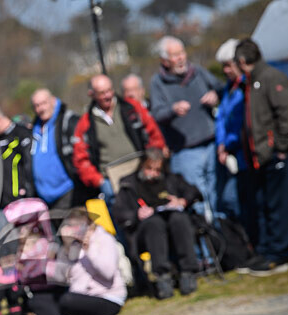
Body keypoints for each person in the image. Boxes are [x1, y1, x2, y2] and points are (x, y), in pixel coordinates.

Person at [234, 38, 288, 276]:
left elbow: (286, 115)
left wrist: (279, 147)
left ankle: (278, 254)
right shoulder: (252, 82)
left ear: (242, 61)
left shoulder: (271, 78)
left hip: (278, 154)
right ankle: (268, 249)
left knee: (279, 205)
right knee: (266, 205)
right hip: (261, 156)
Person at [113, 148, 202, 299]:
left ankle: (188, 272)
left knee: (178, 219)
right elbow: (119, 213)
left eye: (157, 170)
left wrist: (182, 201)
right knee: (154, 223)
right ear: (142, 165)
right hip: (145, 231)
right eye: (149, 168)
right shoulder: (129, 184)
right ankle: (163, 276)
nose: (153, 173)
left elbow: (193, 191)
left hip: (173, 224)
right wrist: (137, 214)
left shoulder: (170, 179)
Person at [150, 36, 223, 220]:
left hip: (211, 143)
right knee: (197, 202)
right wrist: (172, 110)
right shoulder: (157, 83)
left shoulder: (197, 71)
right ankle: (207, 247)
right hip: (185, 152)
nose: (181, 58)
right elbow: (157, 114)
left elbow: (222, 87)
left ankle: (226, 241)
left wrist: (215, 95)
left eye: (182, 53)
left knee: (219, 198)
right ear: (164, 61)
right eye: (175, 55)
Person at [73, 74, 166, 205]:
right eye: (102, 93)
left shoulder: (132, 108)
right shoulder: (85, 123)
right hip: (111, 179)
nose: (107, 95)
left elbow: (154, 134)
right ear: (91, 94)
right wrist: (98, 180)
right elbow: (80, 158)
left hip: (141, 170)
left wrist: (155, 162)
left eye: (109, 90)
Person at [46, 208, 126, 315]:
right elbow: (60, 278)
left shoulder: (104, 239)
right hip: (82, 297)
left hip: (108, 297)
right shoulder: (73, 246)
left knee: (67, 300)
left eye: (79, 225)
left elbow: (108, 273)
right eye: (72, 226)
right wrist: (66, 246)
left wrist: (89, 249)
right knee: (47, 302)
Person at [30, 88, 88, 210]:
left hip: (70, 191)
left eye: (44, 103)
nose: (41, 108)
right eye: (37, 105)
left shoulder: (68, 121)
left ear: (53, 101)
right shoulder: (35, 128)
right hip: (46, 200)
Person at [214, 38, 245, 222]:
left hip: (241, 152)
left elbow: (240, 120)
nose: (225, 71)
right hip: (229, 152)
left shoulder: (244, 87)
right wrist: (221, 144)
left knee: (234, 199)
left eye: (228, 66)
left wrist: (229, 143)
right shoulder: (228, 87)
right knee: (229, 199)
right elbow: (221, 118)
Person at [0, 102, 35, 209]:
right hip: (2, 206)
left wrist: (27, 190)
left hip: (23, 201)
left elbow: (31, 164)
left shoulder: (22, 134)